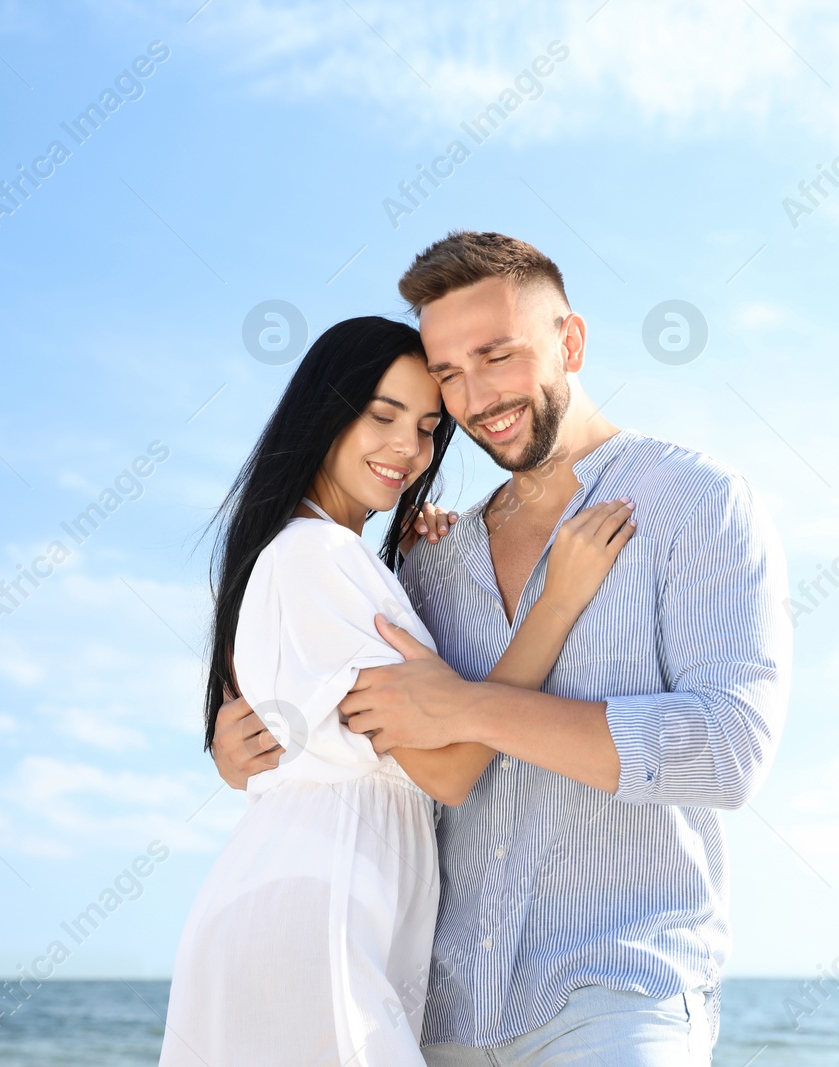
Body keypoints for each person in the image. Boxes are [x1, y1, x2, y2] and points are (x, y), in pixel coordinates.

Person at [214, 233, 792, 1065]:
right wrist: (257, 752)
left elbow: (727, 753)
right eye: (448, 373)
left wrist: (475, 703)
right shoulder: (428, 559)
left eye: (497, 355)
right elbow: (387, 746)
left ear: (572, 342)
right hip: (436, 1012)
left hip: (615, 995)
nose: (475, 396)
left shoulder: (694, 502)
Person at [159, 314, 638, 1067]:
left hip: (328, 906)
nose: (408, 450)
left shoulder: (339, 557)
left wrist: (407, 567)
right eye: (381, 416)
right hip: (317, 913)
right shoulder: (313, 555)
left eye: (425, 427)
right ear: (324, 409)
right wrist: (557, 602)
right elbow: (449, 769)